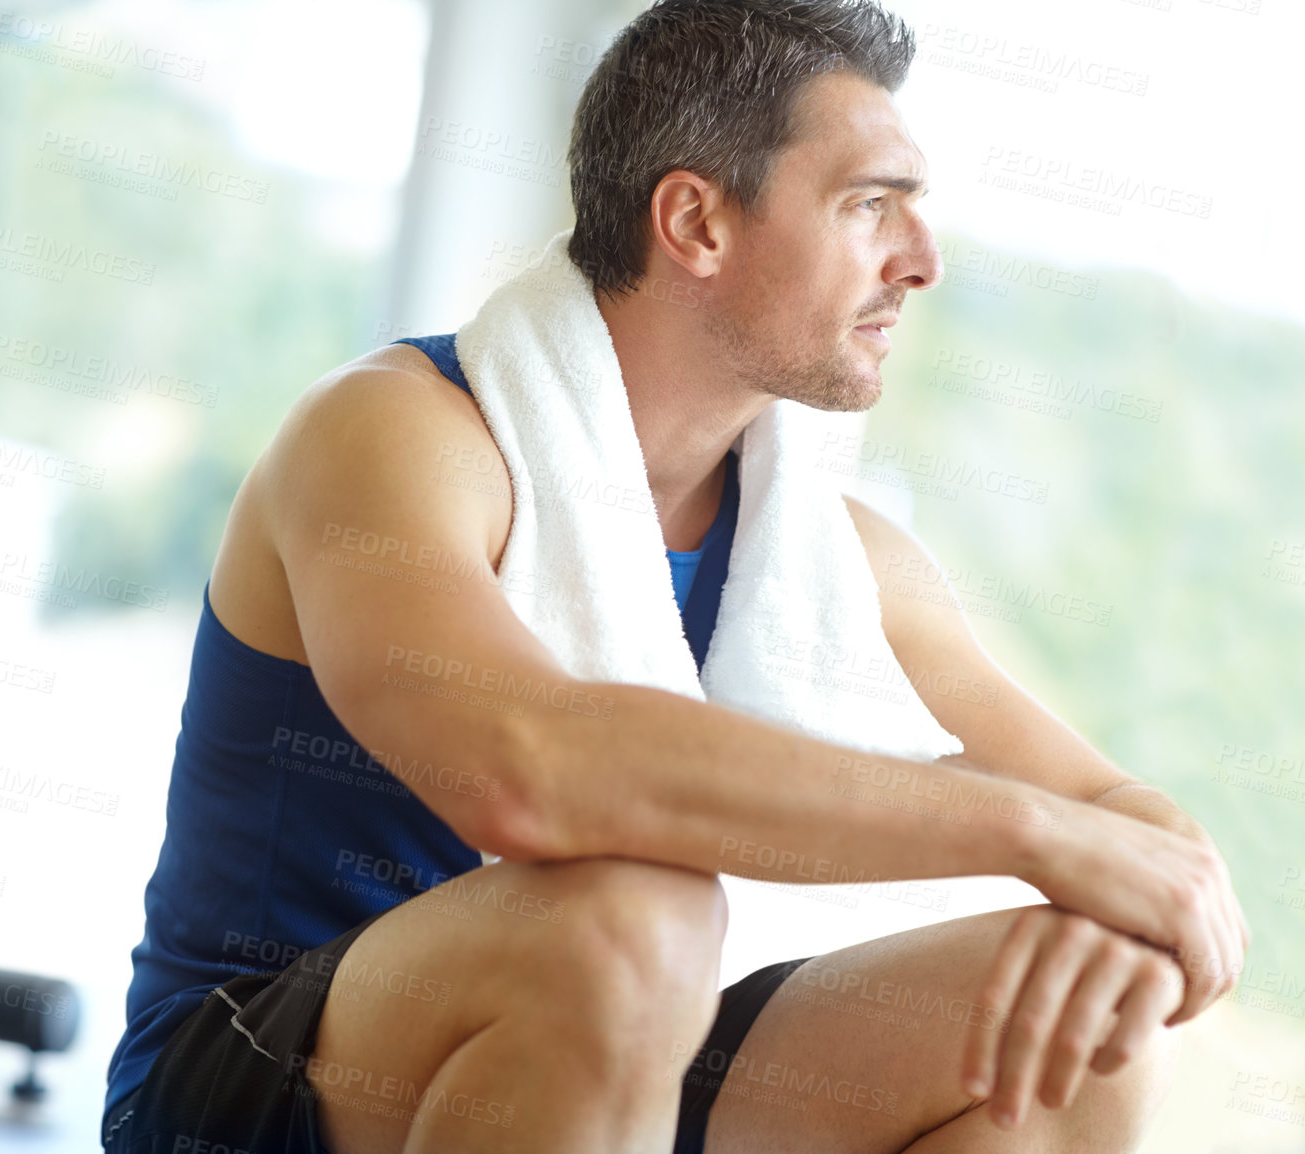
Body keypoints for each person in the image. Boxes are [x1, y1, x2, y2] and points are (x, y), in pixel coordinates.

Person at [102, 2, 1247, 1151]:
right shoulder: (396, 435)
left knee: (1083, 1030)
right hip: (246, 1072)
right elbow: (531, 767)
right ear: (695, 220)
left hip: (598, 1060)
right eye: (868, 204)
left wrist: (1131, 904)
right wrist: (1037, 839)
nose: (921, 259)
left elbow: (1118, 814)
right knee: (636, 914)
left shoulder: (831, 554)